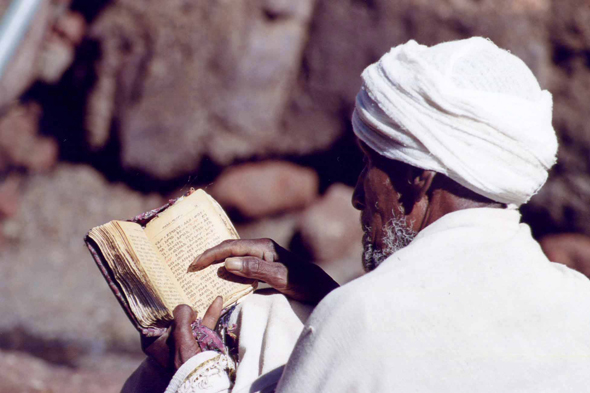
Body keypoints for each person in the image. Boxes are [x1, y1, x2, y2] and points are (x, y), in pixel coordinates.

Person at [129, 37, 590, 392]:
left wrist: (194, 377)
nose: (355, 196)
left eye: (369, 165)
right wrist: (328, 301)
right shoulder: (579, 304)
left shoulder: (364, 320)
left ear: (417, 179)